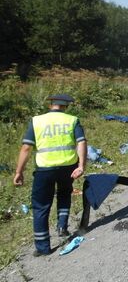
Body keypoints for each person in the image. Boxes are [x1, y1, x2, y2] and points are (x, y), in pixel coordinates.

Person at [13, 94, 87, 256]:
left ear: (51, 104)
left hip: (44, 170)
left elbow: (26, 148)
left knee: (41, 206)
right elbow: (81, 142)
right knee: (64, 194)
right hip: (68, 167)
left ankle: (43, 247)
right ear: (66, 106)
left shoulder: (36, 121)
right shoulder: (72, 120)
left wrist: (19, 171)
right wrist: (81, 165)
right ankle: (62, 227)